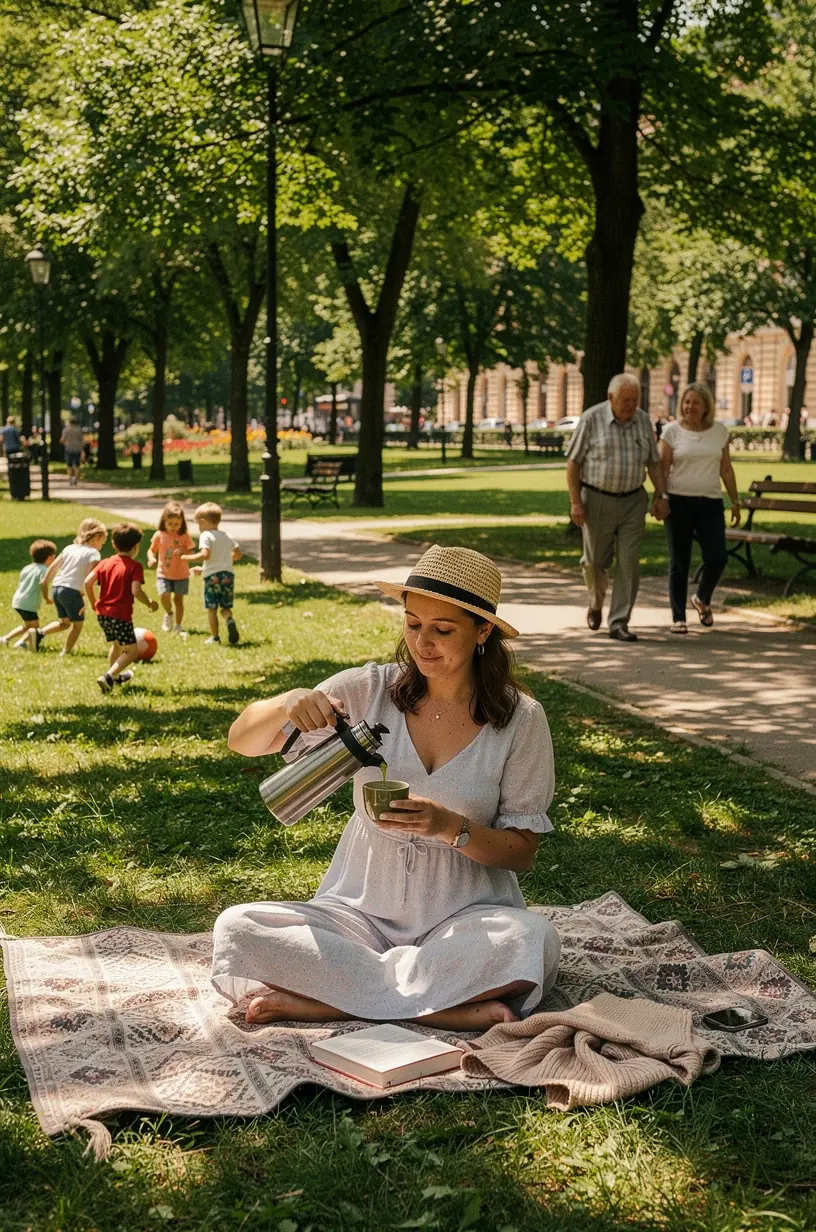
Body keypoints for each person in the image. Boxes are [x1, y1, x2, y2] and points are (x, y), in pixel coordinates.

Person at [211, 545, 561, 1031]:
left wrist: (449, 826)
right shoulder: (368, 690)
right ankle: (442, 1007)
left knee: (527, 940)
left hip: (466, 916)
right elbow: (241, 741)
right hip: (358, 912)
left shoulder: (520, 719)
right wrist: (287, 701)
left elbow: (521, 852)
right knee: (238, 927)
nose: (423, 643)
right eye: (413, 624)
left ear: (483, 632)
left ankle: (335, 999)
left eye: (442, 630)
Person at [566, 373, 669, 642]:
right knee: (595, 563)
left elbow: (654, 463)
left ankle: (619, 622)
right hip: (597, 500)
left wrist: (662, 495)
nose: (631, 405)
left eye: (635, 400)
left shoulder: (643, 421)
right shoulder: (592, 418)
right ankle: (596, 603)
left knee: (629, 563)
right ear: (611, 398)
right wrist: (576, 501)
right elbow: (573, 463)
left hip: (633, 501)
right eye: (626, 400)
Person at [659, 384, 741, 634]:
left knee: (717, 557)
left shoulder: (719, 432)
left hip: (710, 503)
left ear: (706, 406)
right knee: (679, 561)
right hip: (678, 501)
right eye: (686, 402)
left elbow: (725, 468)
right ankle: (678, 617)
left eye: (695, 402)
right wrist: (660, 498)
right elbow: (662, 468)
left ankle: (702, 598)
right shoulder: (671, 432)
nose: (690, 407)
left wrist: (735, 501)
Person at [85, 523, 159, 694]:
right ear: (136, 547)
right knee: (131, 651)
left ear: (114, 545)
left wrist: (93, 602)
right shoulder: (134, 567)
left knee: (117, 645)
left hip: (102, 614)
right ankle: (109, 676)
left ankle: (115, 679)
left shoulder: (105, 563)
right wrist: (149, 603)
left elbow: (87, 582)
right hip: (120, 615)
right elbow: (136, 590)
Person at [36, 518, 108, 654]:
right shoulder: (93, 554)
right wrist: (88, 599)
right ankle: (66, 652)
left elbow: (52, 568)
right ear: (96, 538)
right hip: (71, 591)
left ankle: (38, 633)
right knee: (77, 626)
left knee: (65, 622)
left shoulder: (69, 548)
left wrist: (46, 583)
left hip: (57, 588)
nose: (101, 546)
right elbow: (89, 579)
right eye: (102, 542)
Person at [182, 502, 242, 645]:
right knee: (225, 607)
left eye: (198, 524)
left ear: (203, 522)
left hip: (212, 577)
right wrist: (225, 562)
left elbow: (205, 554)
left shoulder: (206, 535)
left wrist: (187, 557)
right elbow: (238, 554)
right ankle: (229, 619)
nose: (199, 527)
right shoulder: (227, 535)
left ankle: (215, 638)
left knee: (212, 608)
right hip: (228, 576)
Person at [147, 501, 194, 634]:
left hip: (181, 574)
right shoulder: (159, 535)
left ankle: (178, 625)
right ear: (164, 521)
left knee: (178, 600)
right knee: (164, 595)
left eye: (177, 524)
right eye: (170, 524)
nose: (173, 527)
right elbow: (151, 550)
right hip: (164, 573)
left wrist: (183, 551)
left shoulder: (184, 536)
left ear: (182, 523)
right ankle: (168, 613)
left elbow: (191, 551)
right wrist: (152, 558)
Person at [1, 539, 56, 648]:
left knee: (27, 626)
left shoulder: (27, 568)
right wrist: (47, 598)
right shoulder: (44, 570)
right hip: (28, 604)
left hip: (18, 601)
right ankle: (21, 643)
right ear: (50, 558)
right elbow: (43, 584)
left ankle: (5, 638)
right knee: (34, 628)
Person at [60, 418, 85, 487]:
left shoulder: (66, 430)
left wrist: (63, 442)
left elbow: (62, 439)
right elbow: (82, 440)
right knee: (77, 465)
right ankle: (75, 479)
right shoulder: (79, 429)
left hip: (69, 449)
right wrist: (82, 450)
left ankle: (70, 479)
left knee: (69, 465)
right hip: (78, 449)